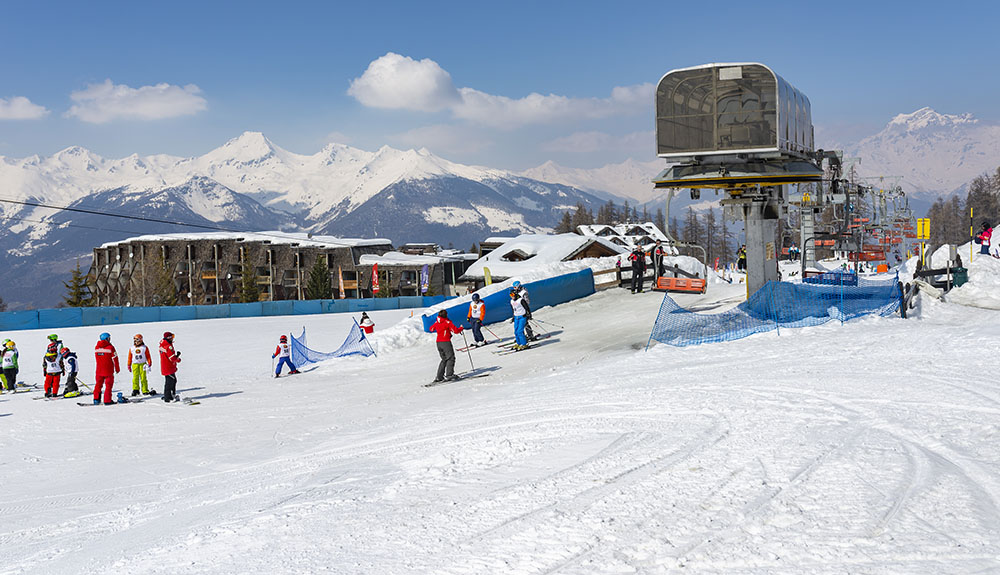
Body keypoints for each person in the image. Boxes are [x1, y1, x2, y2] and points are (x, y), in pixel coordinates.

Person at [428, 309, 464, 382]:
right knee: (450, 358)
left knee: (444, 359)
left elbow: (431, 329)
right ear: (446, 315)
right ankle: (449, 375)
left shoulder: (437, 322)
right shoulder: (447, 322)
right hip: (445, 342)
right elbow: (455, 331)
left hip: (438, 342)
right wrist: (461, 328)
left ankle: (439, 376)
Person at [94, 332, 120, 405]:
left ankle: (96, 399)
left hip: (99, 371)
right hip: (108, 371)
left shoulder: (96, 347)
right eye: (109, 338)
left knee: (98, 385)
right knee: (108, 386)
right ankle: (107, 400)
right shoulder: (110, 347)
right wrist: (117, 368)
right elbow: (115, 358)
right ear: (106, 339)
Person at [159, 332, 181, 402]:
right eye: (172, 337)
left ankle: (169, 395)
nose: (173, 338)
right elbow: (171, 358)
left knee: (170, 381)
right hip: (168, 367)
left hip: (166, 366)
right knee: (171, 381)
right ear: (169, 338)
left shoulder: (162, 345)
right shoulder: (168, 346)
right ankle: (168, 397)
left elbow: (167, 355)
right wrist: (178, 359)